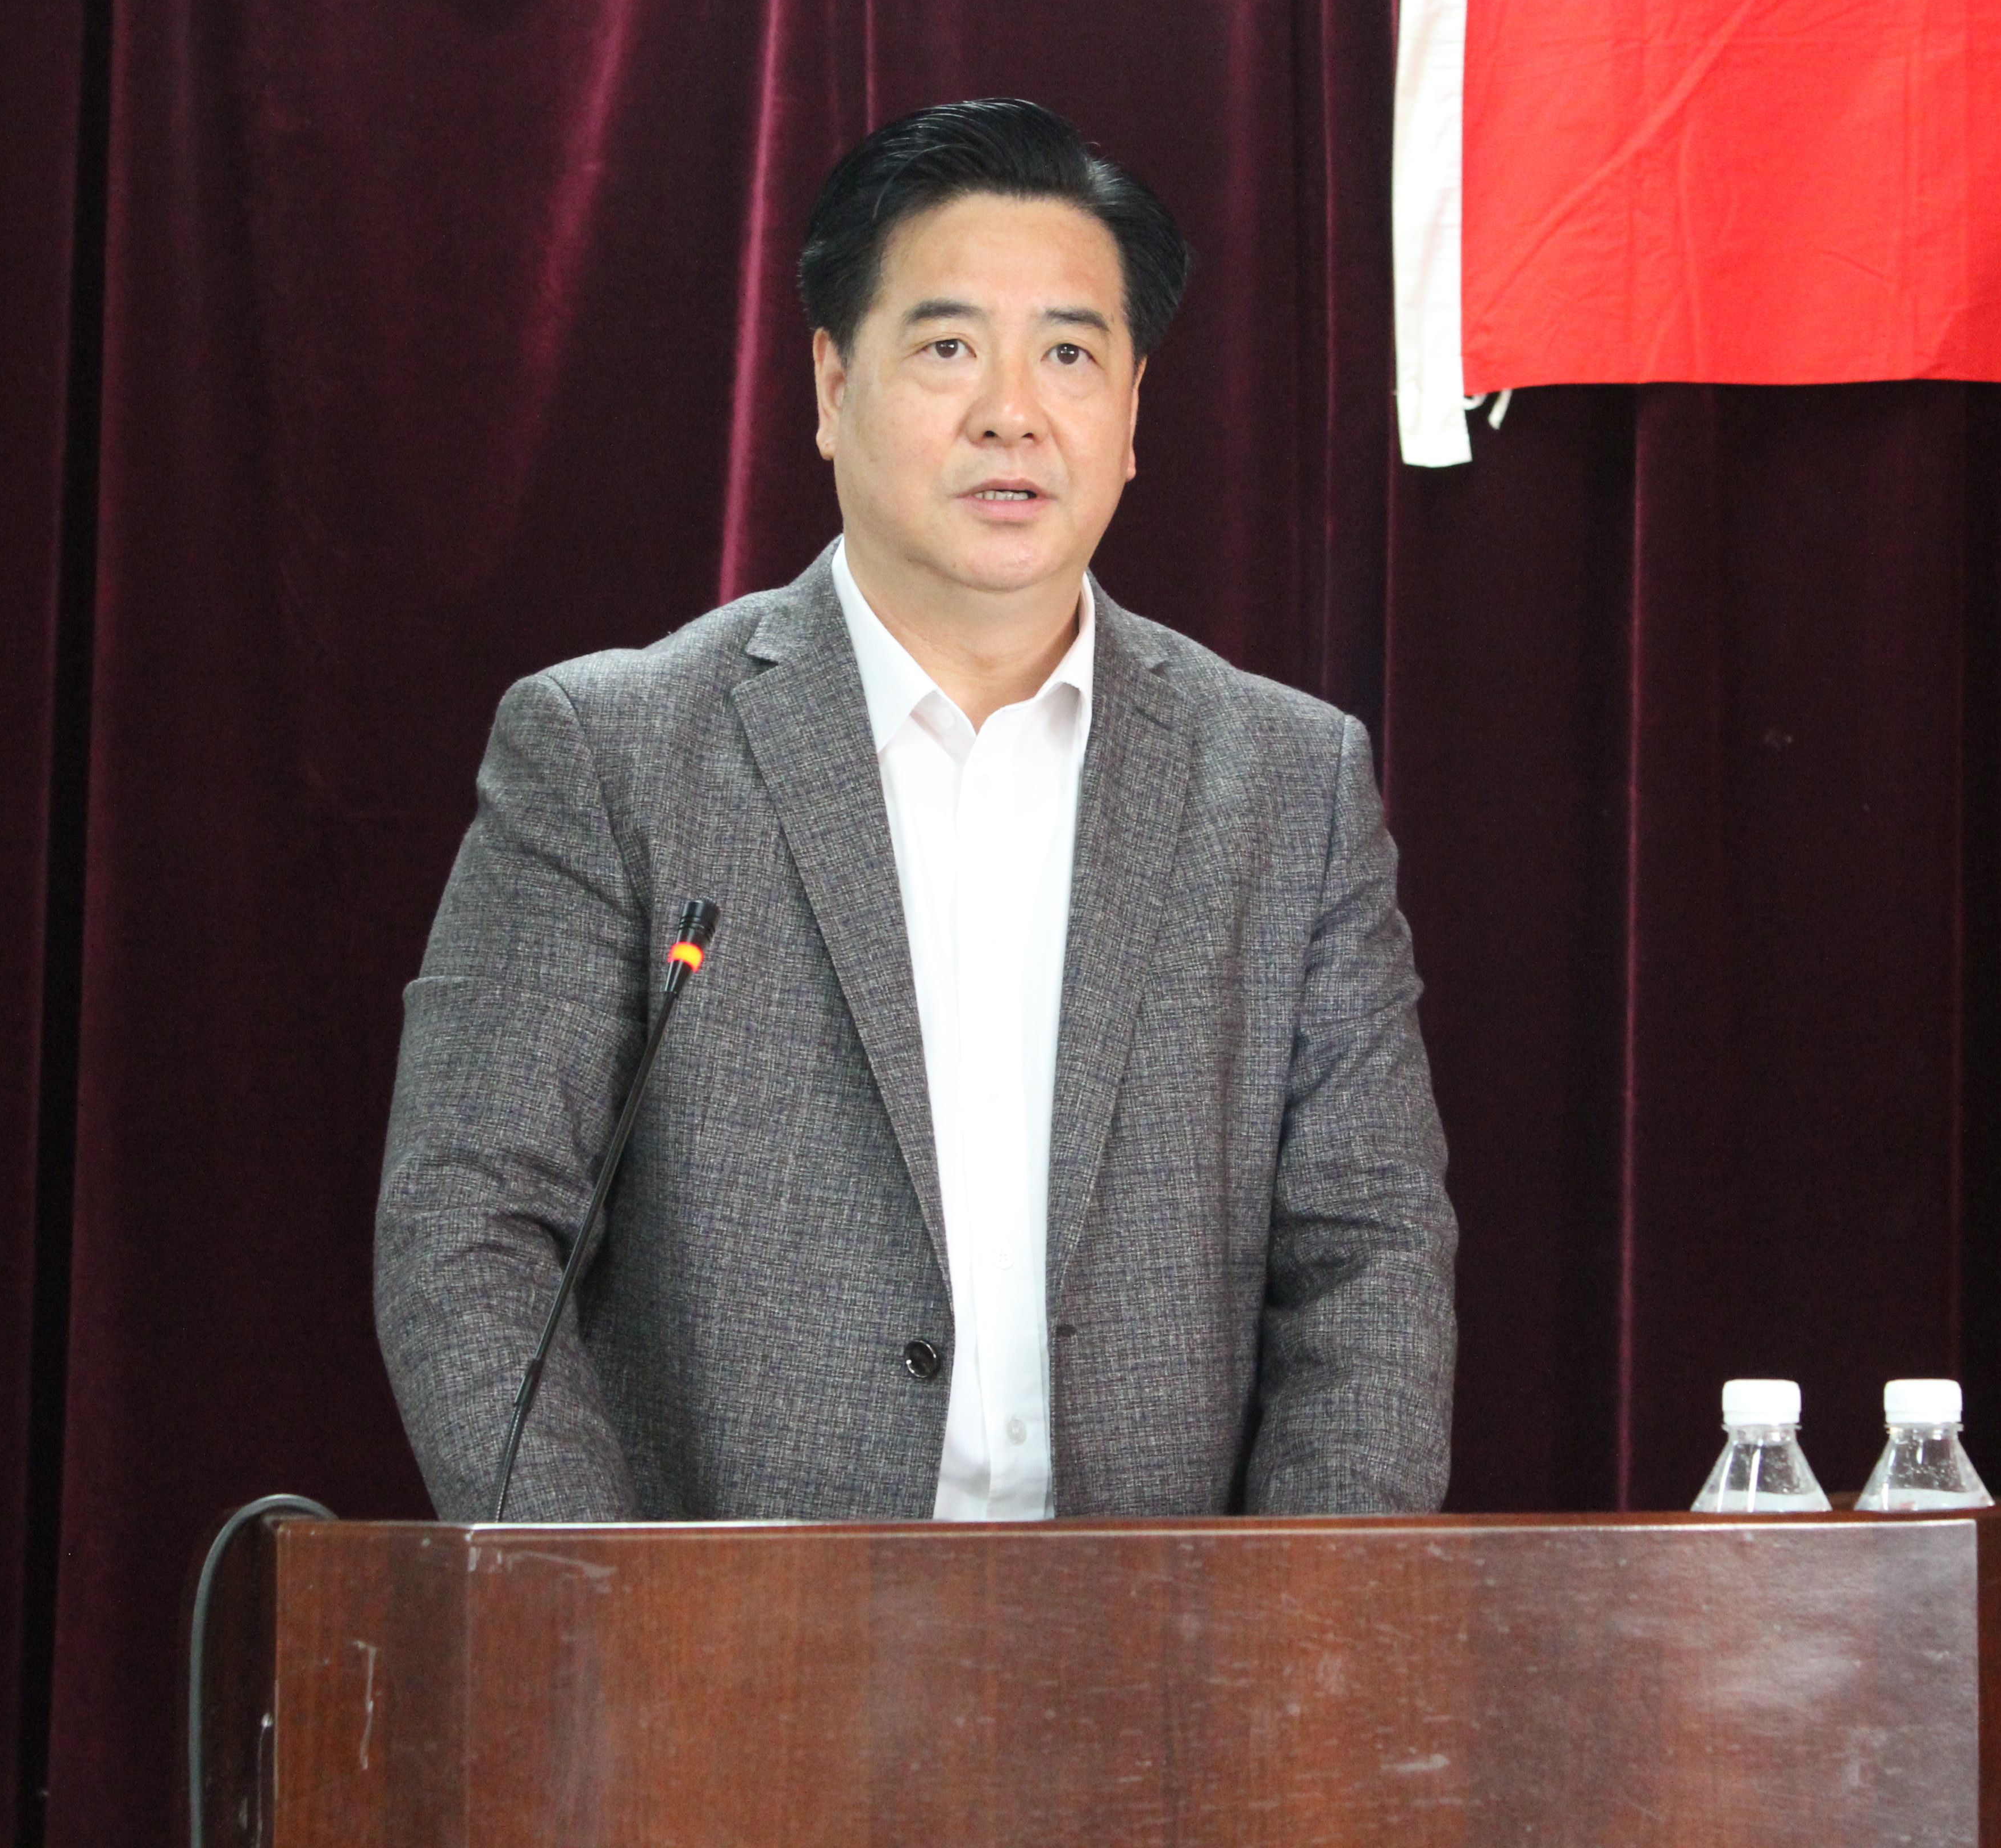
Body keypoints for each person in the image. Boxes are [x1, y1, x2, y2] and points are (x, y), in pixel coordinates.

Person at [375, 98, 1455, 1523]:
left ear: (1133, 414)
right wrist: (604, 1611)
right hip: (728, 1630)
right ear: (832, 388)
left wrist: (1298, 1631)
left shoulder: (1284, 783)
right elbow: (471, 1227)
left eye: (1070, 354)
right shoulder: (616, 753)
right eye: (949, 348)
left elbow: (1370, 1257)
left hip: (1160, 1630)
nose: (1012, 411)